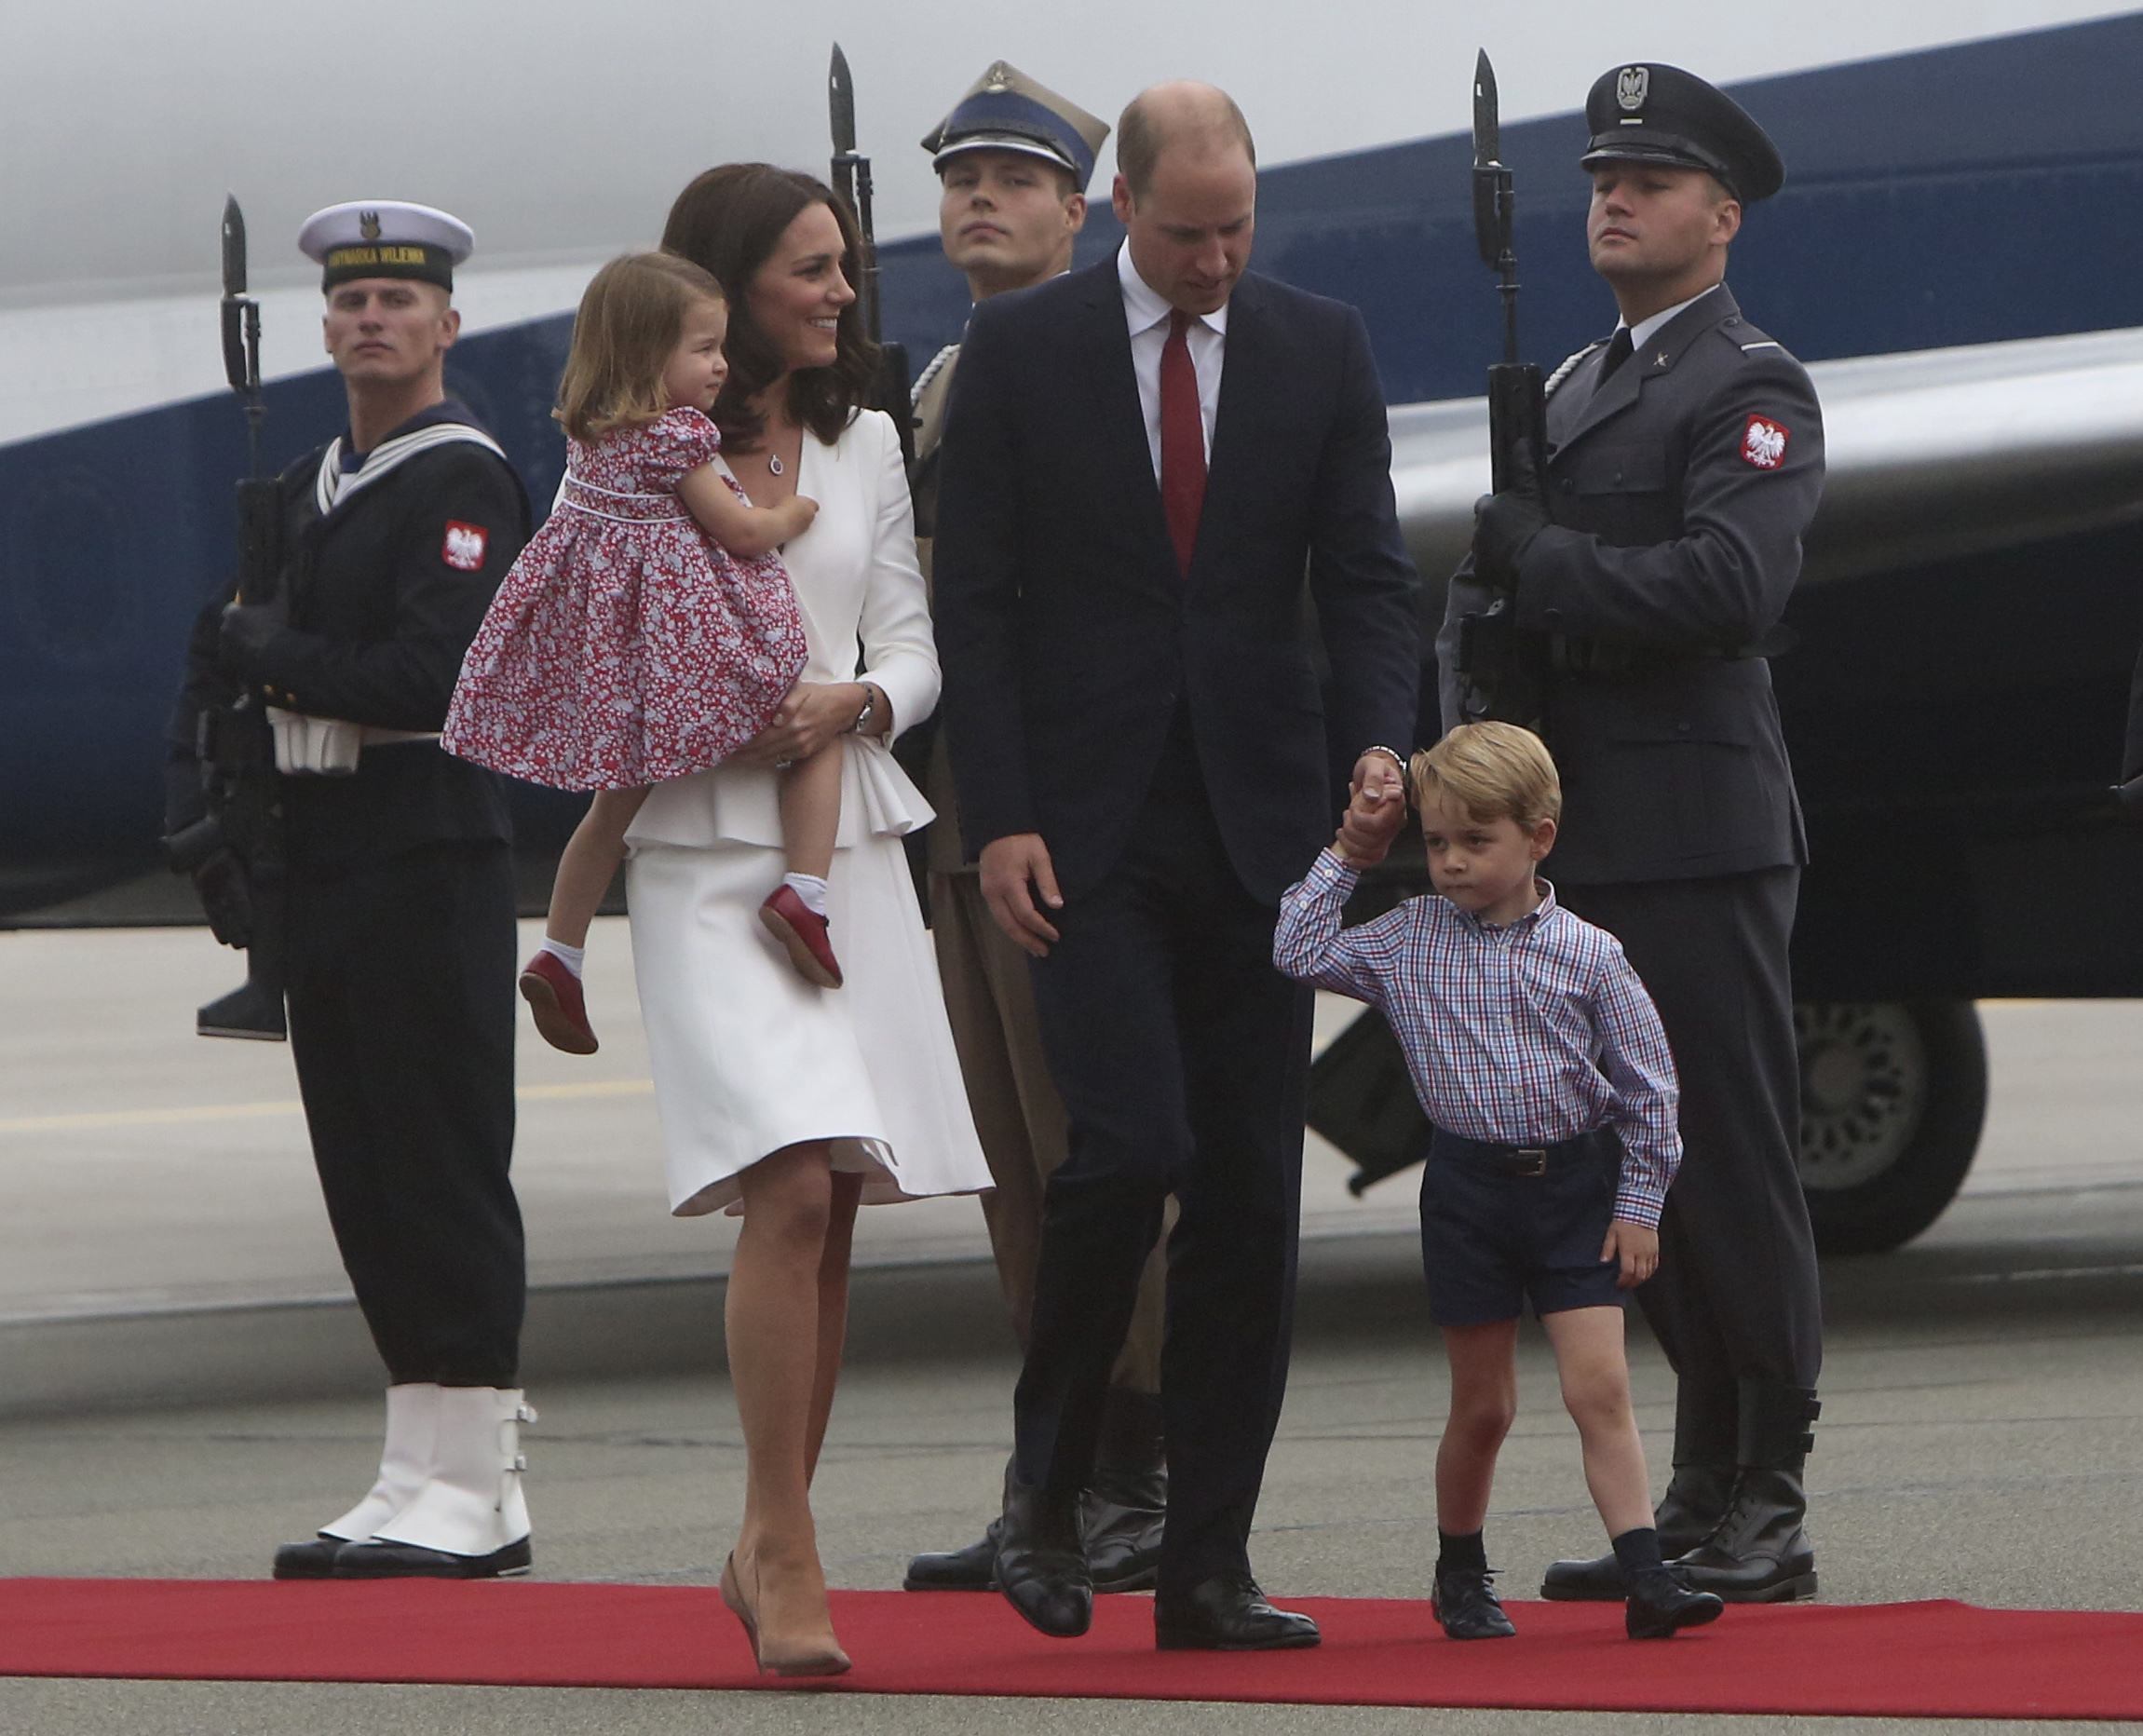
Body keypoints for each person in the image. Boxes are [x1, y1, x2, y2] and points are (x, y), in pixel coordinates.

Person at [933, 83, 1418, 1649]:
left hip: (1265, 828)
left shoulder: (1317, 344)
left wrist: (1379, 754)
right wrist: (999, 812)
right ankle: (1049, 1484)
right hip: (1086, 827)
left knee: (1244, 1195)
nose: (1217, 261)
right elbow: (983, 609)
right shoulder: (1022, 354)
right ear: (1122, 205)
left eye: (1239, 231)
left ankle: (1209, 1559)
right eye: (1189, 232)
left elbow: (1362, 577)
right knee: (1123, 1143)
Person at [1438, 64, 1827, 1604]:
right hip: (1581, 829)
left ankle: (1770, 1490)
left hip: (1693, 827)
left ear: (1719, 218)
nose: (1614, 197)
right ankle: (1700, 1477)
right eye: (1604, 174)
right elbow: (1506, 595)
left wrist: (1549, 561)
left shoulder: (1749, 384)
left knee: (1721, 1157)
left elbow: (1731, 591)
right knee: (1631, 1172)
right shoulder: (1586, 382)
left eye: (1652, 180)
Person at [623, 163, 992, 1675]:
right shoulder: (636, 451)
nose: (844, 290)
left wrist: (859, 699)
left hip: (844, 830)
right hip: (705, 849)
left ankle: (768, 1528)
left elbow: (911, 641)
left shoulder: (867, 442)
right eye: (812, 267)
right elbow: (600, 641)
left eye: (843, 266)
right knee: (782, 1190)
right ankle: (788, 1544)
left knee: (831, 1209)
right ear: (727, 285)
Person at [167, 200, 536, 1580]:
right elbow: (239, 654)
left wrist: (280, 659)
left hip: (424, 843)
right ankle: (416, 1467)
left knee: (440, 1164)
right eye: (349, 303)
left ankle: (485, 1482)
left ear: (446, 326)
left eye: (399, 302)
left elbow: (439, 678)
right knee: (366, 1173)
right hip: (322, 850)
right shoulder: (318, 482)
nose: (370, 320)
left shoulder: (464, 481)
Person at [897, 61, 1173, 1603]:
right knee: (1006, 1160)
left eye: (1013, 178)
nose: (979, 201)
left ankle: (1131, 1462)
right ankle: (1052, 1471)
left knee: (1092, 1152)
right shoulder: (940, 380)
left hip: (1058, 815)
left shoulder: (1104, 366)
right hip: (950, 809)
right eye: (961, 180)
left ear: (1085, 208)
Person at [1274, 723, 1726, 1642]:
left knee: (1599, 1388)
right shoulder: (1405, 939)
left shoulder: (1590, 953)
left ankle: (1648, 1576)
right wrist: (1356, 847)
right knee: (1484, 1405)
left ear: (1539, 838)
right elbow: (1296, 946)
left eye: (1475, 842)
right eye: (1437, 841)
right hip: (1468, 1192)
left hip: (1573, 1189)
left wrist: (1639, 1206)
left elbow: (1651, 1091)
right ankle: (1461, 1571)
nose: (1448, 862)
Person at [442, 251, 836, 1057]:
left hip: (614, 661)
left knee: (611, 806)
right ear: (643, 356)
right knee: (812, 720)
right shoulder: (677, 439)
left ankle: (560, 950)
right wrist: (794, 511)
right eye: (703, 349)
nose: (722, 365)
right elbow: (740, 530)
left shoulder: (594, 437)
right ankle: (805, 891)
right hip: (680, 651)